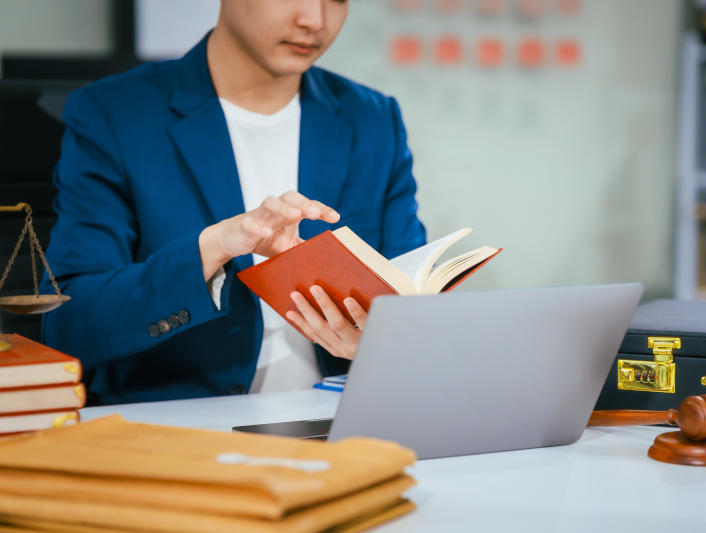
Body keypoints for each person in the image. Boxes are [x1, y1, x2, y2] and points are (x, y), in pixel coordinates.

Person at [41, 0, 426, 405]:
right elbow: (70, 325)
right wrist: (212, 249)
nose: (313, 20)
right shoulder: (116, 113)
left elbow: (411, 295)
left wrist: (381, 344)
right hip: (182, 432)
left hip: (341, 425)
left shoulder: (372, 119)